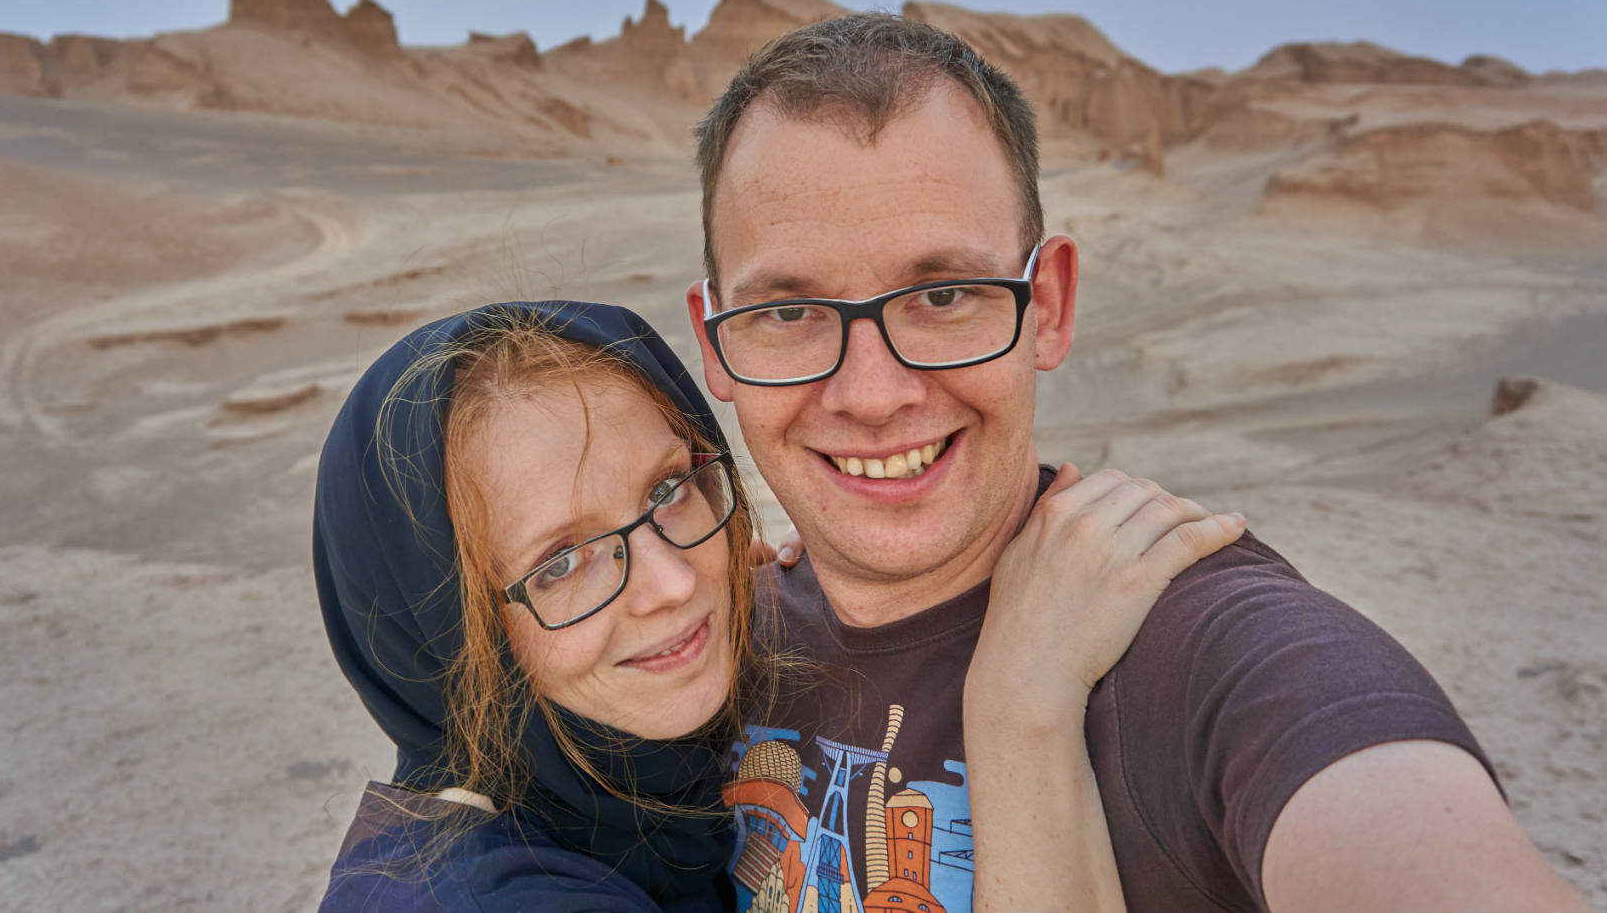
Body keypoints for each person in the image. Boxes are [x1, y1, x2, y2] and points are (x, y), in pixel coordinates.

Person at [685, 13, 1588, 912]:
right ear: (714, 343)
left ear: (1047, 305)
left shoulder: (1206, 649)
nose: (873, 394)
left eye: (946, 294)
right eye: (786, 313)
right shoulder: (695, 649)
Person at [312, 300, 1244, 911]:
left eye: (671, 488)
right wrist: (1022, 706)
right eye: (562, 562)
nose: (673, 582)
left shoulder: (620, 793)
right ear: (439, 638)